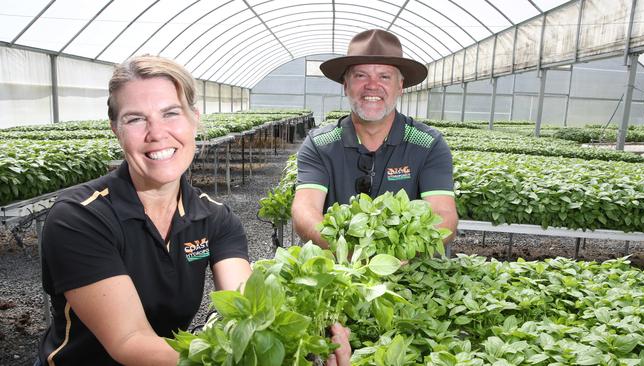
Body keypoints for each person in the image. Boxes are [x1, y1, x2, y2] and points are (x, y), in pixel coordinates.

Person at [35, 55, 350, 366]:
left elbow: (246, 304)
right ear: (116, 129)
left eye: (170, 113)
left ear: (194, 118)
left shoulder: (214, 218)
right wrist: (234, 356)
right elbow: (130, 342)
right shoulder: (80, 217)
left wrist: (310, 341)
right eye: (135, 118)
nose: (156, 133)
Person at [292, 29, 459, 250]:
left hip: (411, 273)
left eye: (384, 76)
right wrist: (347, 251)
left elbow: (444, 214)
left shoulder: (427, 144)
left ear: (400, 86)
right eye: (361, 75)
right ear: (346, 85)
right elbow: (305, 209)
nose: (372, 85)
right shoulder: (321, 144)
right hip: (338, 271)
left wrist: (403, 253)